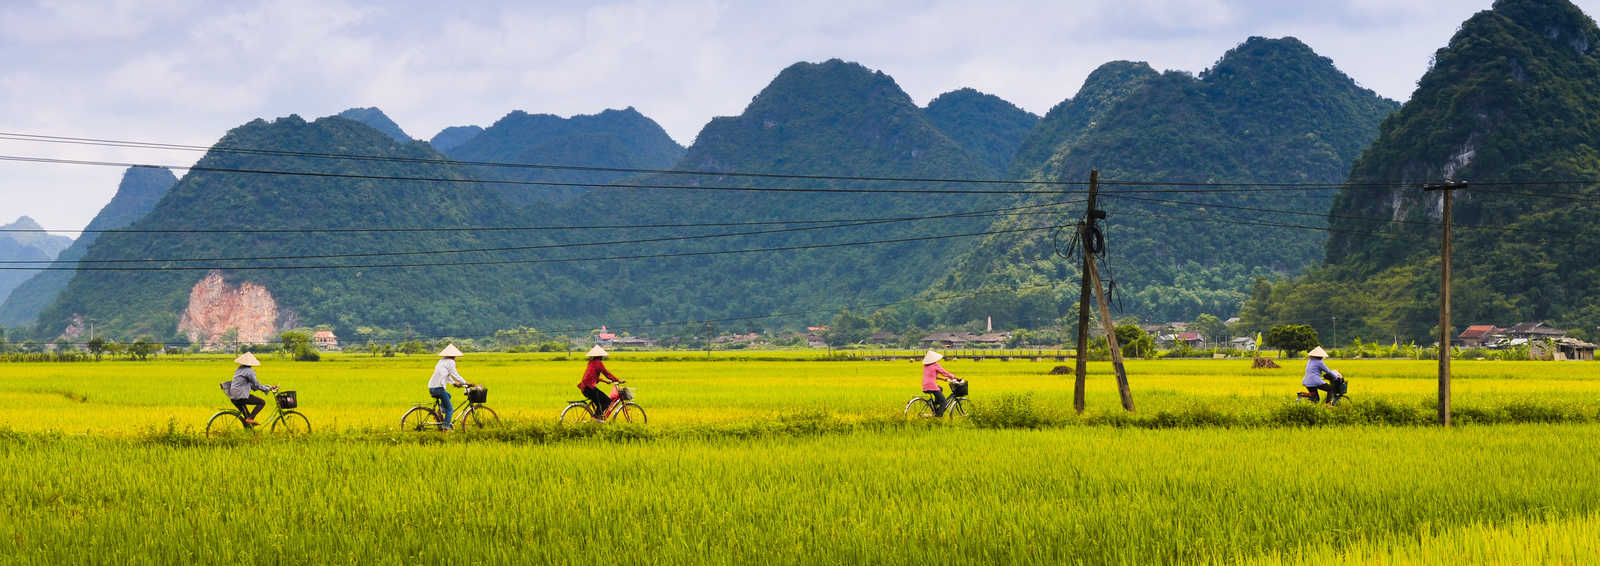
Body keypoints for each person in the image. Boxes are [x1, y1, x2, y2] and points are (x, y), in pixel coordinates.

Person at [220, 352, 275, 426]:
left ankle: (249, 429)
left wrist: (267, 387)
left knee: (247, 419)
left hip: (233, 397)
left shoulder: (239, 369)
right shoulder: (249, 371)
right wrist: (267, 389)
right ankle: (250, 419)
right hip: (241, 396)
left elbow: (250, 385)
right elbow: (256, 384)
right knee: (261, 402)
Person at [428, 344, 473, 430]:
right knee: (450, 410)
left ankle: (441, 410)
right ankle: (446, 426)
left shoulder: (441, 361)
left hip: (432, 387)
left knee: (448, 395)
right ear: (454, 355)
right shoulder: (451, 362)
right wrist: (465, 382)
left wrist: (453, 383)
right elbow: (454, 374)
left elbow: (446, 375)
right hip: (439, 388)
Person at [579, 345, 624, 419]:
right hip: (590, 388)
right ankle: (596, 418)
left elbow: (593, 377)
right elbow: (607, 373)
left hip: (584, 388)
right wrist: (617, 380)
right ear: (600, 355)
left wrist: (605, 381)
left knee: (600, 404)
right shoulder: (598, 363)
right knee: (607, 401)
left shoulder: (591, 362)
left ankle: (597, 418)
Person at [921, 350, 960, 416]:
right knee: (944, 402)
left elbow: (933, 376)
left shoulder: (926, 366)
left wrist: (942, 379)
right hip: (932, 386)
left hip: (925, 386)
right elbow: (945, 373)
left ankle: (936, 404)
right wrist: (955, 378)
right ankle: (937, 416)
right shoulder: (935, 365)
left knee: (940, 388)